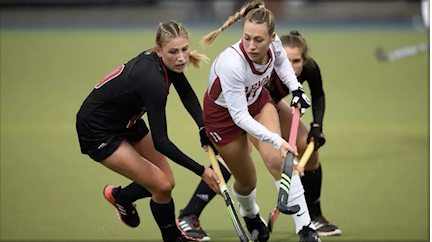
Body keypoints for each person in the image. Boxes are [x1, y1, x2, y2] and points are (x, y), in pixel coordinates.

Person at [177, 31, 340, 241]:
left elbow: (317, 94)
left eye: (296, 61)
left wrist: (318, 125)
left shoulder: (309, 68)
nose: (290, 66)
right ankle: (190, 213)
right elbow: (249, 108)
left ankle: (314, 217)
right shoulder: (266, 69)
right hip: (240, 108)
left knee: (306, 142)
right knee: (235, 161)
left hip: (268, 105)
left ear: (305, 60)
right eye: (287, 60)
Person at [75, 21, 221, 242]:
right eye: (174, 52)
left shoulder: (168, 64)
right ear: (159, 51)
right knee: (161, 185)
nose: (182, 58)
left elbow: (188, 95)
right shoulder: (152, 81)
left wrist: (203, 127)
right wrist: (201, 170)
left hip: (128, 121)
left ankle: (120, 197)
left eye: (184, 49)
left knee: (166, 183)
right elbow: (162, 141)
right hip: (98, 130)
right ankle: (173, 239)